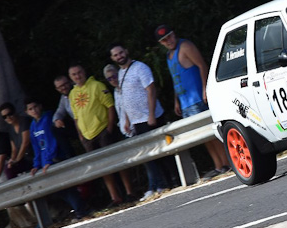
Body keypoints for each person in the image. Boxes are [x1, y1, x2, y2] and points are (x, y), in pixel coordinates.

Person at [155, 25, 230, 178]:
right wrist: (176, 101)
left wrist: (205, 88)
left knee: (211, 133)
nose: (168, 41)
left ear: (174, 34)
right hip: (185, 103)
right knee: (203, 136)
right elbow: (176, 78)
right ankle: (218, 165)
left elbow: (202, 65)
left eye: (169, 36)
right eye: (164, 40)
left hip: (197, 98)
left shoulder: (185, 46)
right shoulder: (169, 55)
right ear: (161, 43)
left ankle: (227, 162)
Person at [68, 64, 137, 206]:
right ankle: (115, 197)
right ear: (71, 77)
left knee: (117, 161)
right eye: (74, 74)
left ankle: (129, 192)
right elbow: (76, 117)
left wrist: (109, 128)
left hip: (102, 130)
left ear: (84, 72)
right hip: (88, 136)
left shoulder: (97, 86)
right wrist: (80, 135)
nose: (77, 76)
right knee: (102, 168)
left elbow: (110, 106)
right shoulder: (72, 94)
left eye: (79, 72)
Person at [109, 43, 168, 200]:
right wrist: (127, 120)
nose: (119, 56)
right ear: (112, 58)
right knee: (147, 155)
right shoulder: (120, 73)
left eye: (121, 52)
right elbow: (126, 98)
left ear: (126, 51)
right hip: (136, 121)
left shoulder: (140, 67)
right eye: (115, 55)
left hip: (149, 117)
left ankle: (164, 183)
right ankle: (156, 185)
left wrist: (151, 115)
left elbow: (151, 90)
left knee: (158, 152)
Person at [25, 98, 90, 219]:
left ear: (40, 106)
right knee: (57, 190)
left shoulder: (48, 118)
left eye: (35, 107)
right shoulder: (33, 126)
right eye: (30, 109)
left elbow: (52, 141)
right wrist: (36, 165)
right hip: (44, 163)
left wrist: (50, 160)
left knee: (66, 186)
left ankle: (81, 211)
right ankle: (79, 208)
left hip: (56, 158)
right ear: (27, 112)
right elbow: (37, 147)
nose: (34, 110)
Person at [0, 102, 32, 179]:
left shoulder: (24, 121)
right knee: (9, 168)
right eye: (4, 117)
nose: (8, 118)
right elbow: (14, 150)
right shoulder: (10, 129)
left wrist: (17, 160)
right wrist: (12, 160)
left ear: (14, 112)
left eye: (10, 114)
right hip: (24, 159)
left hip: (33, 155)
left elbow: (25, 142)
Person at [103, 64, 134, 138]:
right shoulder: (115, 92)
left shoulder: (126, 87)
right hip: (126, 131)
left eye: (114, 76)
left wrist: (128, 123)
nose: (113, 80)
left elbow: (131, 106)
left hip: (134, 127)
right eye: (109, 79)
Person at [51, 75, 78, 158]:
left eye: (65, 84)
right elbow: (60, 111)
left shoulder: (79, 90)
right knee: (56, 128)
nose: (63, 88)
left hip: (88, 122)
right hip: (77, 126)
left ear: (70, 82)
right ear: (57, 89)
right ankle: (70, 156)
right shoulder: (64, 98)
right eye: (60, 87)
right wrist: (57, 120)